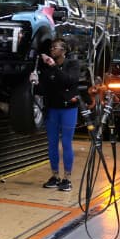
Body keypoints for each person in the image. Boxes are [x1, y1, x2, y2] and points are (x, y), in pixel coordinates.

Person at [30, 38, 80, 192]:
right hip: (52, 109)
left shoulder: (72, 64)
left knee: (66, 143)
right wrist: (35, 83)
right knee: (52, 143)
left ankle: (67, 178)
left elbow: (68, 81)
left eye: (55, 47)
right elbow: (44, 90)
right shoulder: (47, 68)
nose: (52, 50)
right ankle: (55, 175)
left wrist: (54, 67)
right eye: (51, 48)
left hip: (68, 109)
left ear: (64, 50)